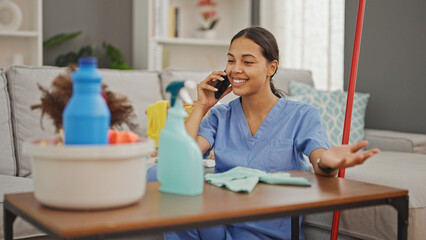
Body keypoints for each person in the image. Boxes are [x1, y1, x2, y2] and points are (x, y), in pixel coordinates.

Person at [147, 26, 380, 240]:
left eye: (247, 62)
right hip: (219, 226)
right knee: (158, 173)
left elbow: (320, 158)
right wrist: (201, 106)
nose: (235, 69)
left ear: (272, 67)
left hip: (268, 230)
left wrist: (327, 162)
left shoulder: (301, 115)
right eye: (231, 60)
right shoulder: (220, 116)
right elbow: (179, 161)